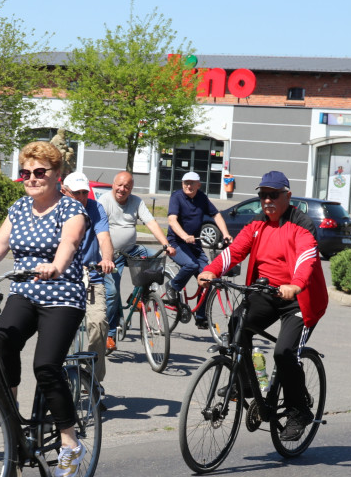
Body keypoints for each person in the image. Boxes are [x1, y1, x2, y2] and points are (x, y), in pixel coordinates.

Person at [0, 141, 87, 477]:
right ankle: (9, 406)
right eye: (26, 173)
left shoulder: (70, 209)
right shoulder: (19, 208)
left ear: (57, 176)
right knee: (1, 340)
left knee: (46, 365)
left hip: (62, 296)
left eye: (40, 172)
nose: (31, 178)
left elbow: (69, 244)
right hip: (24, 291)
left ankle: (70, 444)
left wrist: (57, 266)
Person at [198, 170, 328, 441]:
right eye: (263, 195)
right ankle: (246, 384)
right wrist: (211, 270)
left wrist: (296, 284)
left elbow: (308, 256)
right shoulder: (257, 225)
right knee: (238, 324)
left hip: (299, 299)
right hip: (267, 293)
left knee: (284, 353)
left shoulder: (301, 224)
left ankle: (299, 410)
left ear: (287, 196)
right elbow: (234, 252)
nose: (267, 200)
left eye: (273, 195)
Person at [97, 171, 173, 353]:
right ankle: (110, 333)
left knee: (156, 258)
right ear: (113, 184)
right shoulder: (104, 201)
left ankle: (138, 296)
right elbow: (99, 230)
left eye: (127, 187)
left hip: (131, 249)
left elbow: (151, 222)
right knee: (112, 292)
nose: (122, 189)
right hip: (110, 255)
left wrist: (166, 244)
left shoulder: (136, 202)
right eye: (120, 185)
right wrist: (105, 257)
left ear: (131, 189)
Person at [62, 171, 115, 383]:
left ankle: (93, 379)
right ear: (64, 192)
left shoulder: (95, 208)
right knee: (59, 330)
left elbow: (104, 237)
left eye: (85, 192)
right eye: (76, 193)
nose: (82, 197)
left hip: (91, 274)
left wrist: (107, 259)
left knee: (100, 323)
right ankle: (58, 376)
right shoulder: (58, 209)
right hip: (63, 277)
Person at [166, 171, 232, 329]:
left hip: (194, 244)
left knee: (209, 277)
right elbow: (172, 220)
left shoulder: (201, 197)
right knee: (191, 265)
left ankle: (201, 316)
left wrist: (226, 234)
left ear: (198, 185)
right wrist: (184, 235)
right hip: (177, 242)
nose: (188, 186)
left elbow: (216, 215)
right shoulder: (177, 197)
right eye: (185, 183)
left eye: (191, 183)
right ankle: (173, 287)